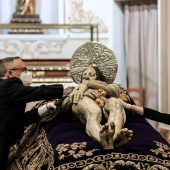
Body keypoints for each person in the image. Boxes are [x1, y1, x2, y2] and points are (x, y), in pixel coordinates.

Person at [0, 56, 64, 170]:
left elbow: (17, 120)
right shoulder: (7, 86)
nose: (26, 73)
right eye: (23, 70)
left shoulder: (9, 92)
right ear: (10, 73)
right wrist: (65, 90)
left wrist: (43, 109)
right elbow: (37, 91)